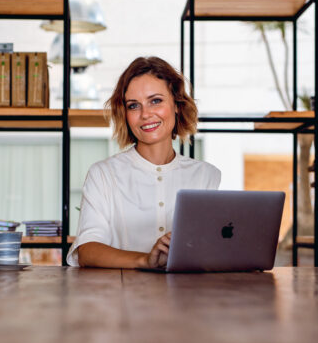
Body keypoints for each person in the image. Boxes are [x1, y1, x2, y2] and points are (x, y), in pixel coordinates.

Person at [66, 56, 221, 268]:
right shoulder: (103, 174)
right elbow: (87, 250)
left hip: (186, 297)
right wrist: (145, 260)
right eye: (133, 106)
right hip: (121, 296)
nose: (145, 114)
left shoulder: (206, 175)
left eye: (155, 101)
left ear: (176, 104)